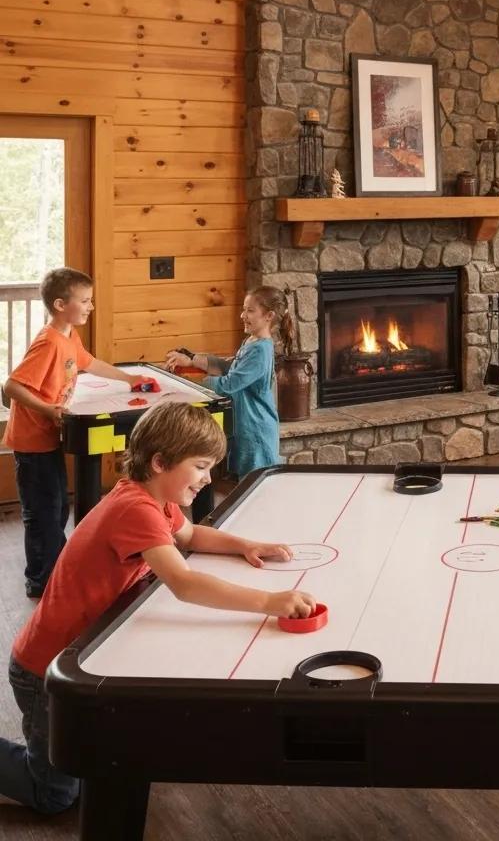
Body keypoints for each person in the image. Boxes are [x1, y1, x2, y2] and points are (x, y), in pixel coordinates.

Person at [0, 402, 315, 815]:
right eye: (200, 467)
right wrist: (268, 602)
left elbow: (191, 536)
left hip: (79, 653)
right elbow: (184, 583)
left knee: (98, 759)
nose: (208, 478)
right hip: (46, 670)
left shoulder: (153, 497)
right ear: (160, 462)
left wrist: (246, 545)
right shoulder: (135, 509)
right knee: (55, 795)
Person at [2, 267, 146, 598]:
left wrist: (129, 379)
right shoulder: (49, 342)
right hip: (32, 442)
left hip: (47, 438)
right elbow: (12, 386)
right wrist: (48, 409)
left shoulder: (69, 336)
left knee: (57, 508)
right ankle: (41, 582)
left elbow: (88, 362)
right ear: (60, 304)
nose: (90, 306)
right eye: (85, 301)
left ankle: (56, 571)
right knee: (43, 512)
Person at [164, 286, 294, 478]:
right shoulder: (251, 342)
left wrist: (190, 383)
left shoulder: (260, 351)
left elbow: (229, 384)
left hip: (256, 430)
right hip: (246, 426)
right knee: (246, 483)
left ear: (269, 316)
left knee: (253, 485)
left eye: (250, 311)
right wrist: (191, 360)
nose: (243, 315)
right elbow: (228, 367)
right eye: (244, 309)